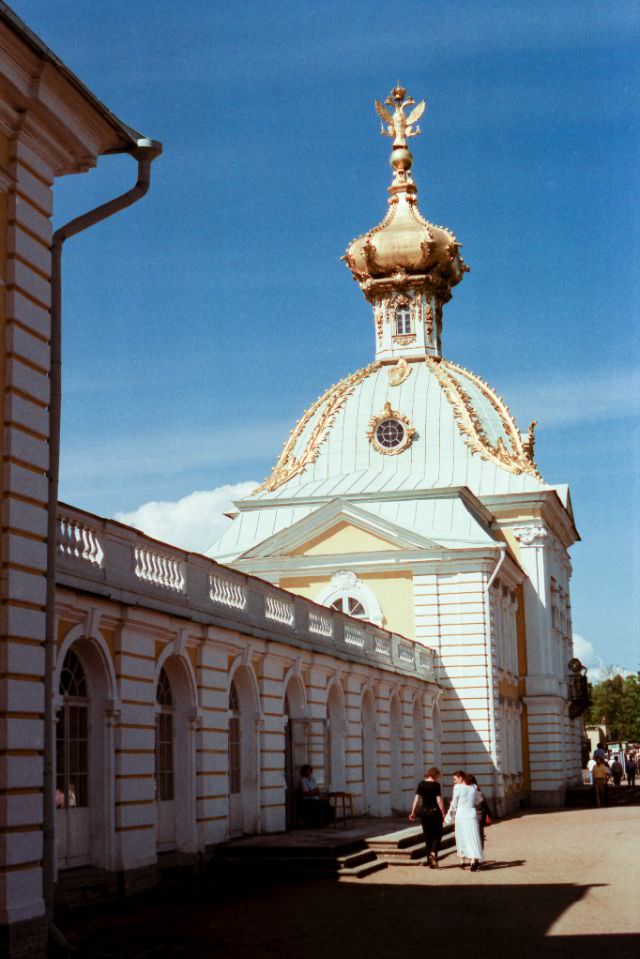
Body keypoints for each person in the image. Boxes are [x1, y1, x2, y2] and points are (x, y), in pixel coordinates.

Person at [444, 770, 483, 871]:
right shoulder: (474, 787)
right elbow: (479, 800)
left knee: (461, 838)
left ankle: (462, 860)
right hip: (471, 815)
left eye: (455, 778)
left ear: (462, 778)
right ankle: (473, 861)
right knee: (473, 838)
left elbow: (454, 803)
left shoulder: (458, 788)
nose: (454, 781)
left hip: (461, 816)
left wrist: (448, 815)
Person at [409, 767, 446, 868]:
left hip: (424, 812)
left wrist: (413, 812)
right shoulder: (436, 785)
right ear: (435, 775)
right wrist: (443, 813)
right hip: (435, 812)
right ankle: (433, 853)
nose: (438, 777)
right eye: (438, 775)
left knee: (427, 836)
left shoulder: (421, 784)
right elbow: (439, 800)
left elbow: (416, 799)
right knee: (437, 834)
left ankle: (429, 861)